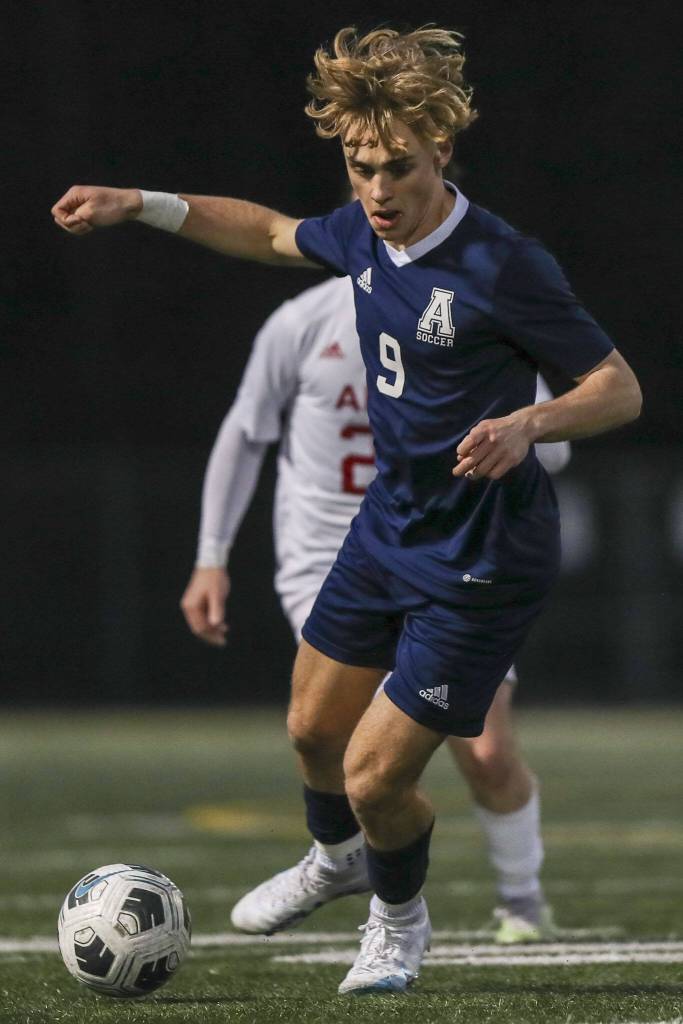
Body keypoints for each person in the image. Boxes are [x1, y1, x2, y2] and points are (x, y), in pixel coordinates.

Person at [52, 25, 641, 995]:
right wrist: (138, 204)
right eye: (360, 165)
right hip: (388, 527)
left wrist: (528, 422)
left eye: (397, 167)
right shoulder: (363, 235)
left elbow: (617, 389)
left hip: (480, 556)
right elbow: (270, 232)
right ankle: (333, 861)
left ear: (440, 151)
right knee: (310, 734)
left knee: (374, 779)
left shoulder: (501, 264)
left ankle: (397, 923)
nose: (375, 188)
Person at [179, 271, 570, 945]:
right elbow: (245, 432)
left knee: (484, 751)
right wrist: (210, 554)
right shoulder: (301, 321)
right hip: (331, 563)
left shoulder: (463, 320)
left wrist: (515, 431)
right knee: (334, 742)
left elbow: (553, 443)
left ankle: (520, 900)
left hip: (444, 557)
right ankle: (344, 868)